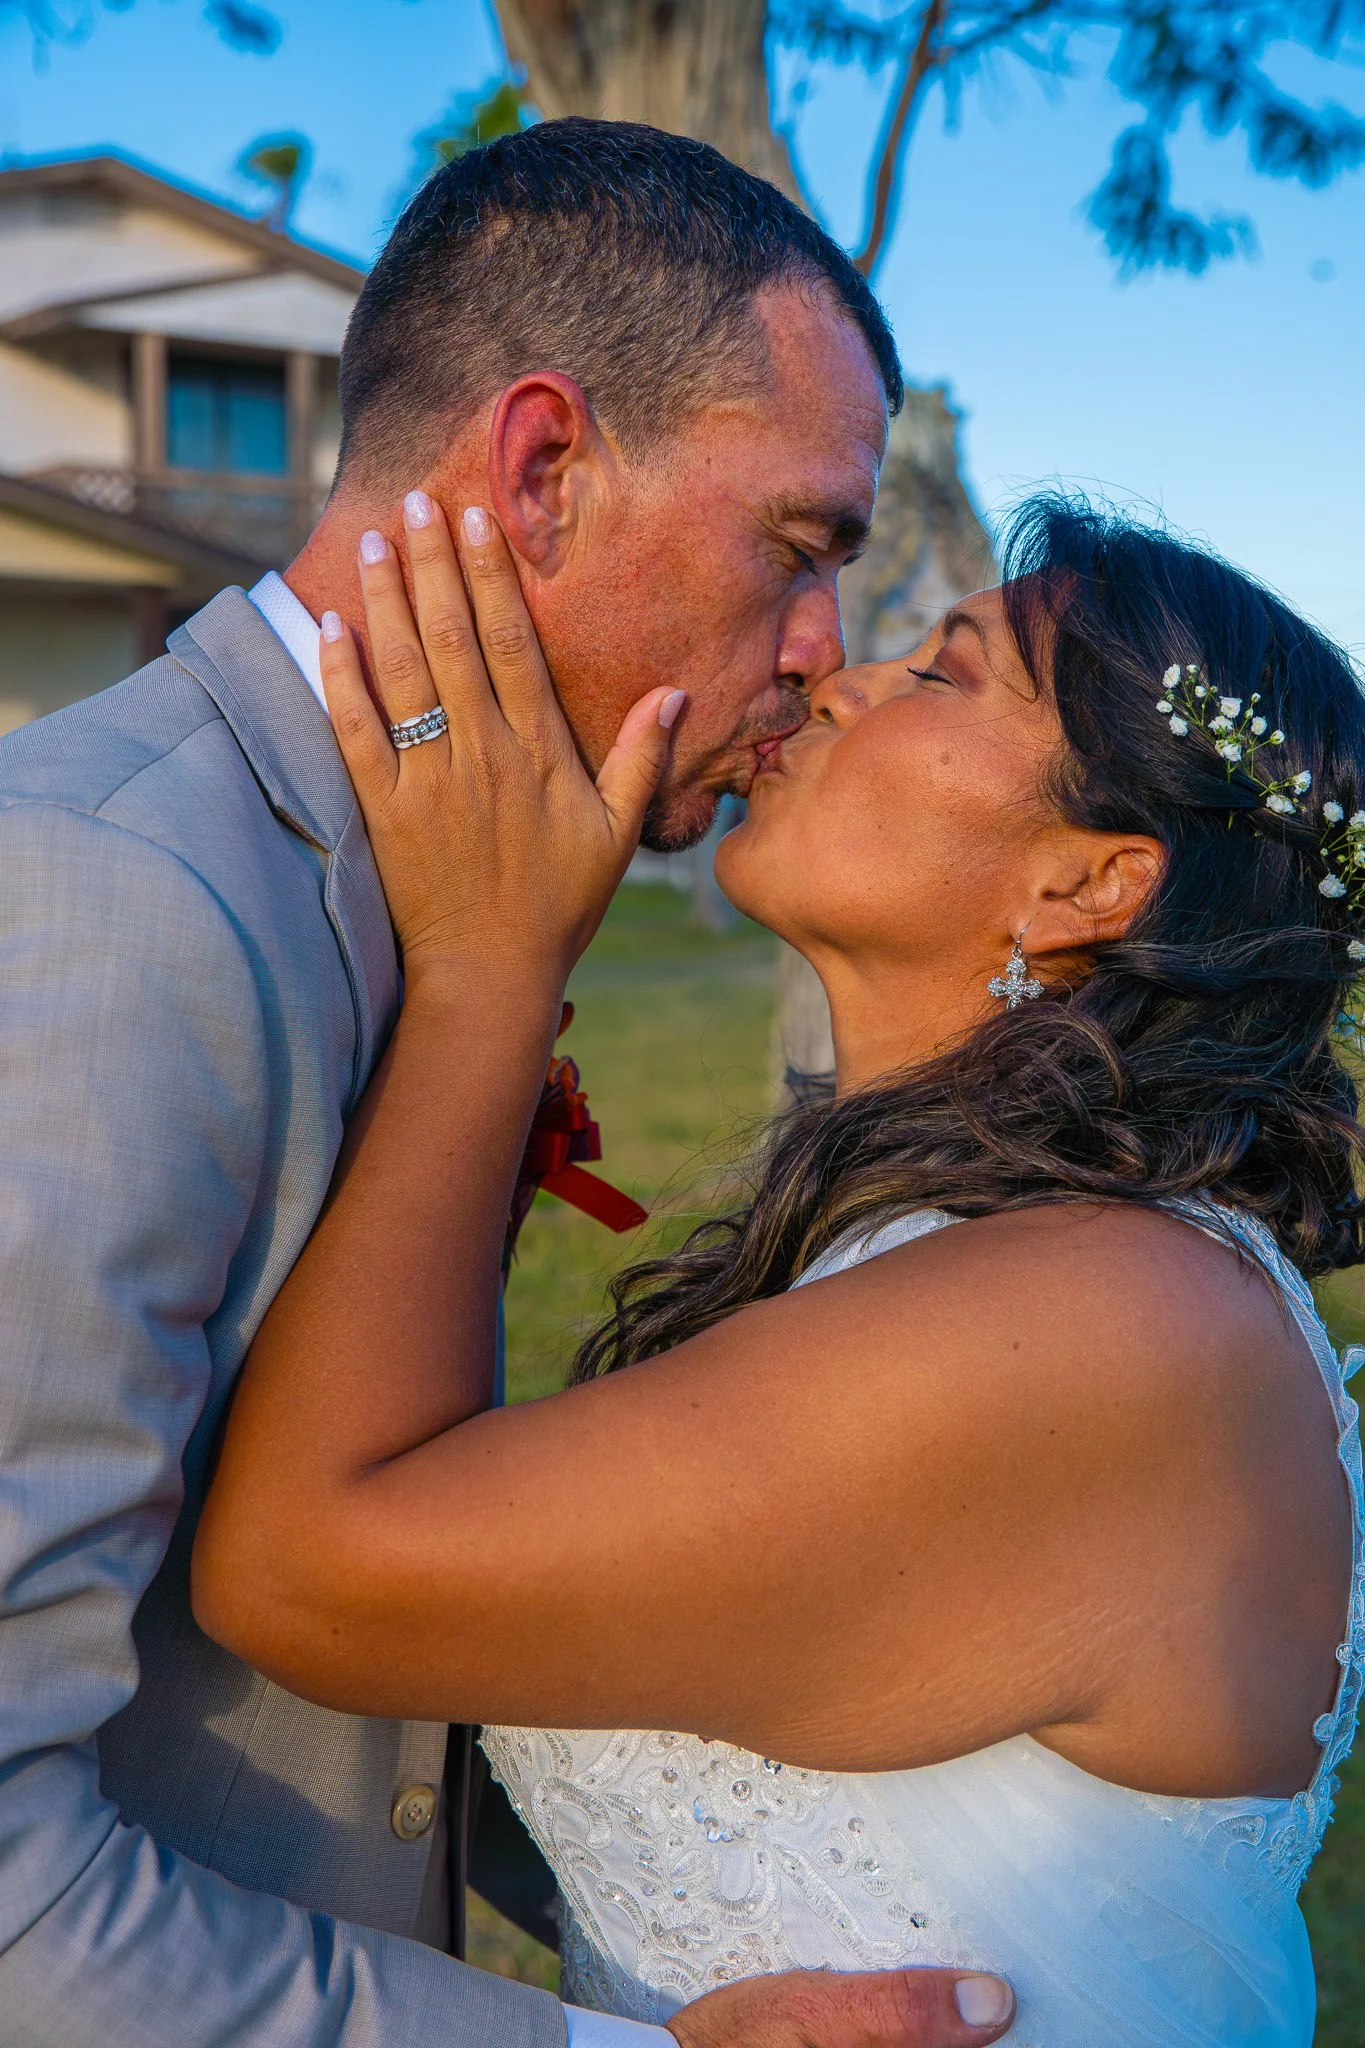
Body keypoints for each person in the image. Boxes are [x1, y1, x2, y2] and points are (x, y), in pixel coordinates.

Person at [0, 120, 1013, 2048]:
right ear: (541, 469)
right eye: (796, 548)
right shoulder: (108, 906)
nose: (821, 656)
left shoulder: (443, 886)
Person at [194, 488, 1365, 2048]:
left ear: (1092, 884)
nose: (837, 681)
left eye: (940, 674)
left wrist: (488, 969)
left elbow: (303, 1568)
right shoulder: (983, 1253)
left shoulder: (1105, 1323)